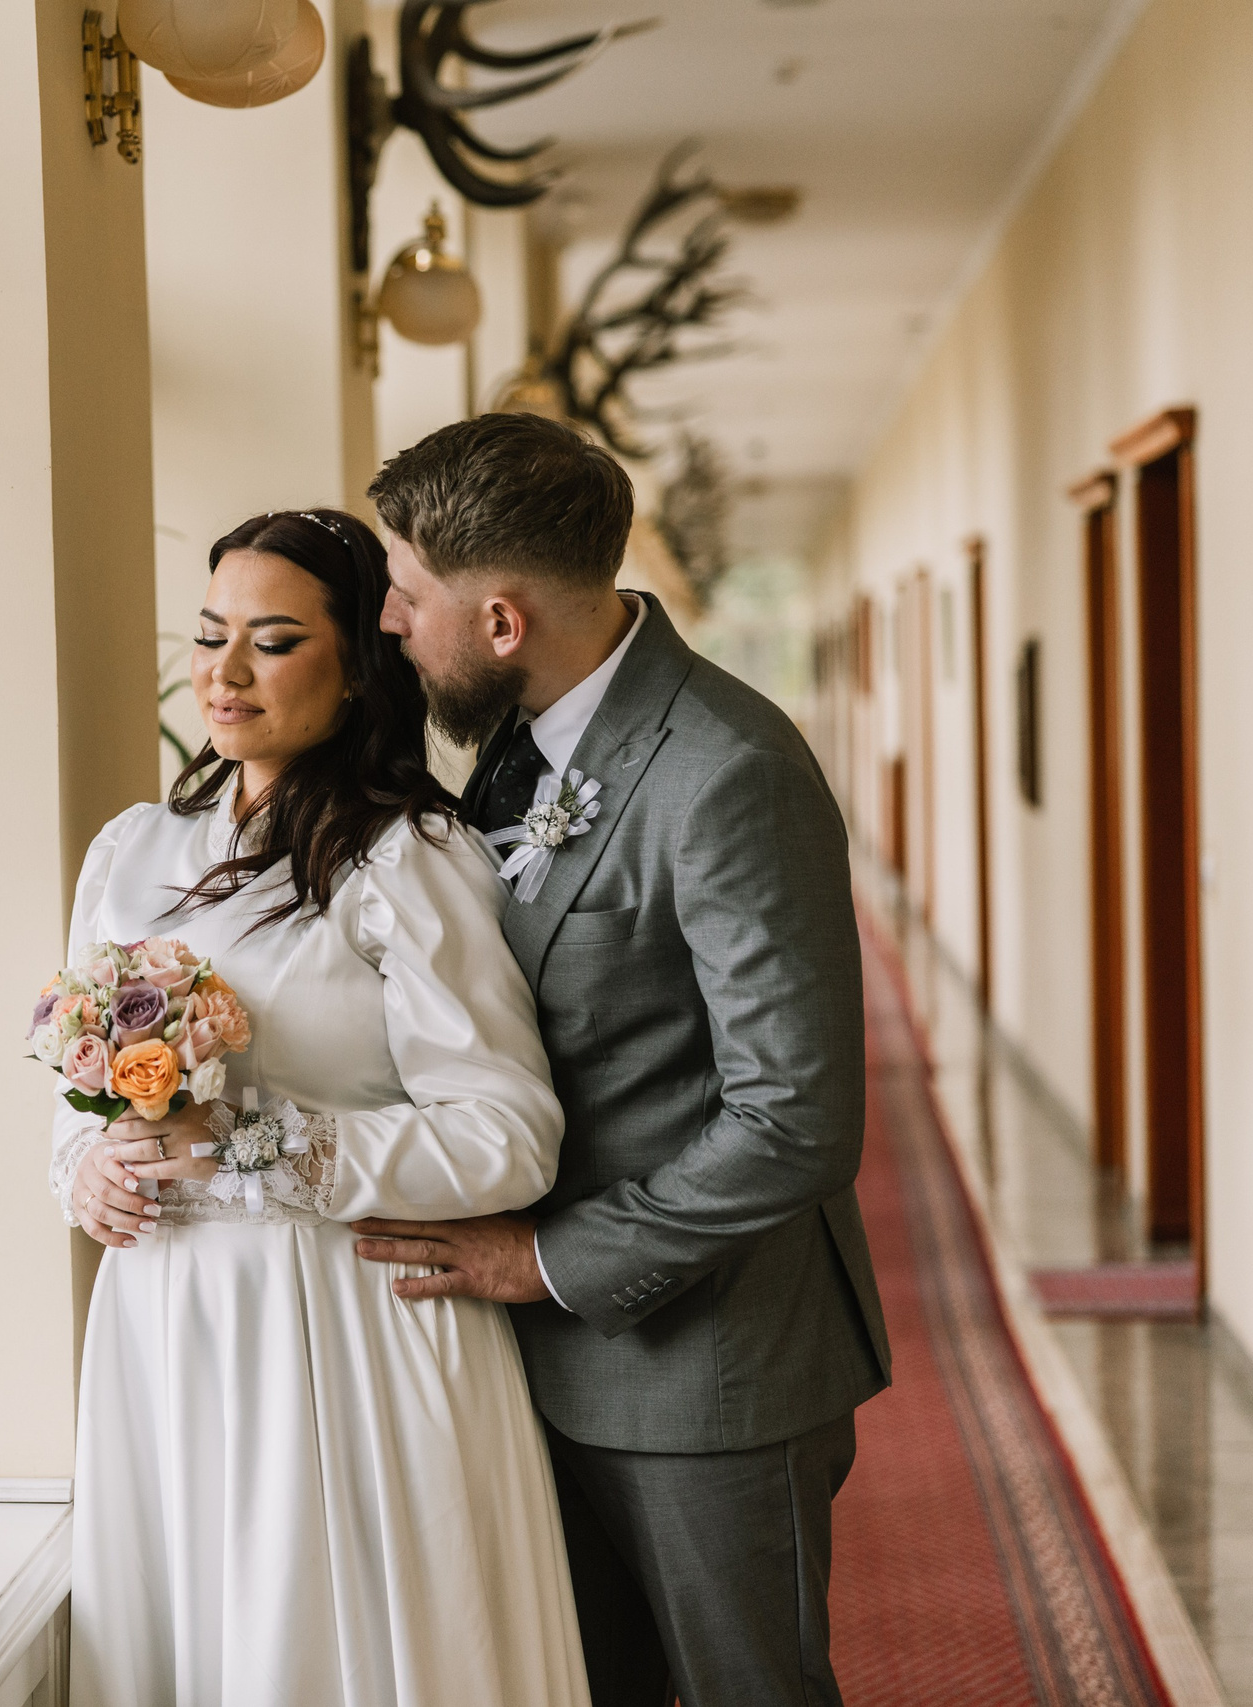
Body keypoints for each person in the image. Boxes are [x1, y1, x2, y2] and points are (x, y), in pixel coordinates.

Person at [352, 413, 891, 1707]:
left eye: (406, 593)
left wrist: (543, 1259)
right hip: (535, 1362)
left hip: (709, 1368)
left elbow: (798, 1117)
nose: (385, 620)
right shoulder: (512, 741)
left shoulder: (726, 768)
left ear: (499, 620)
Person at [57, 508, 593, 1707]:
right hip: (165, 1324)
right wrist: (84, 1168)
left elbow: (508, 1133)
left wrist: (251, 1150)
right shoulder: (131, 851)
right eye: (208, 635)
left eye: (274, 640)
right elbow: (74, 1090)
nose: (224, 672)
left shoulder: (409, 860)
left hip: (341, 1326)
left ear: (358, 669)